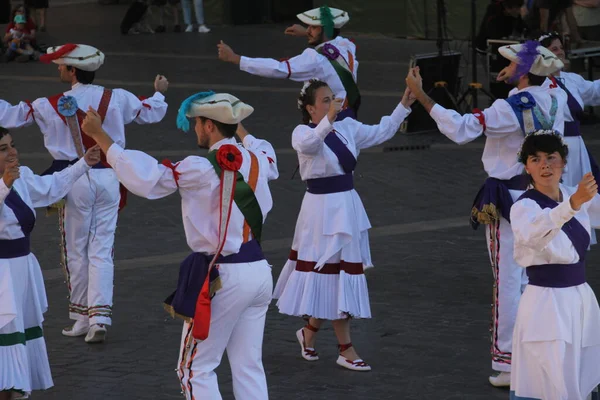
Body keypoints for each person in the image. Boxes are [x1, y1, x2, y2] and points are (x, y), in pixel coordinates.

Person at [80, 91, 278, 399]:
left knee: (195, 369)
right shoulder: (258, 160)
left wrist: (101, 137)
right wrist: (235, 121)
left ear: (208, 125)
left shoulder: (200, 167)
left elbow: (148, 178)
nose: (196, 129)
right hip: (259, 272)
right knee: (249, 366)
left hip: (224, 277)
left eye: (197, 123)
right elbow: (264, 152)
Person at [405, 41, 566, 387]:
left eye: (511, 63)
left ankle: (508, 361)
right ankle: (539, 351)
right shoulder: (556, 98)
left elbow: (461, 128)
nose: (503, 66)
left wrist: (420, 94)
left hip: (510, 200)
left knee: (508, 280)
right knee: (536, 278)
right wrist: (522, 73)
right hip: (544, 197)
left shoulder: (508, 108)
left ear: (523, 72)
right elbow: (546, 82)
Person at [0, 43, 168, 343]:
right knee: (102, 247)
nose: (59, 71)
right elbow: (151, 112)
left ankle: (80, 315)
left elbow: (11, 115)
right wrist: (159, 91)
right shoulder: (116, 98)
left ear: (72, 70)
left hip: (73, 177)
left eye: (61, 67)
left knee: (75, 248)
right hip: (110, 177)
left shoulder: (48, 104)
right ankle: (99, 318)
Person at [273, 79, 414, 372]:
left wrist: (404, 105)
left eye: (332, 99)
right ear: (310, 108)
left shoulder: (347, 127)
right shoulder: (303, 133)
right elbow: (310, 145)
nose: (331, 104)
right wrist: (328, 121)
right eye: (324, 101)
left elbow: (381, 131)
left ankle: (309, 333)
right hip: (319, 212)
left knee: (338, 275)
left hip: (346, 206)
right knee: (330, 274)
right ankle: (345, 348)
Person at [0, 126, 101, 400]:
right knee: (4, 341)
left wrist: (83, 164)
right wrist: (4, 185)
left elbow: (51, 186)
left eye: (12, 145)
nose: (12, 152)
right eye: (3, 148)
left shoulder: (22, 179)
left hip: (21, 271)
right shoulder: (9, 182)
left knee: (16, 339)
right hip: (2, 276)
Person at [509, 131, 600, 399]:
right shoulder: (523, 207)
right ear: (527, 166)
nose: (545, 165)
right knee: (550, 374)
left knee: (580, 370)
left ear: (563, 162)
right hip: (545, 304)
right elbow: (535, 234)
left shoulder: (576, 195)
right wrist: (572, 205)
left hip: (581, 299)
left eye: (551, 158)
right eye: (535, 159)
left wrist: (575, 200)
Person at [218, 6, 360, 120]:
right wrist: (308, 33)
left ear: (325, 30)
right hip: (349, 116)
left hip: (329, 121)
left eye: (313, 27)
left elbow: (279, 69)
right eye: (308, 27)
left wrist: (236, 58)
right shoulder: (346, 45)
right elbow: (329, 39)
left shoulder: (315, 59)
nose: (309, 30)